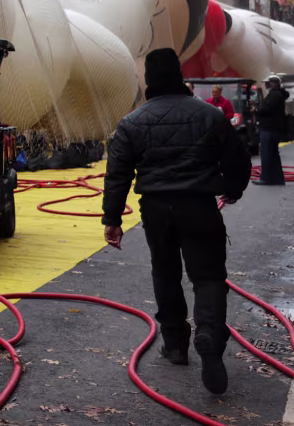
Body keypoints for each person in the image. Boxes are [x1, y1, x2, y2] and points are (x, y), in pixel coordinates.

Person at [102, 48, 250, 395]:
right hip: (200, 205)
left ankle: (175, 344)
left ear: (148, 82)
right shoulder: (210, 116)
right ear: (179, 75)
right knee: (209, 276)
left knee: (165, 272)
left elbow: (117, 174)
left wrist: (112, 218)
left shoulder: (132, 122)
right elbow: (238, 160)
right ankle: (210, 333)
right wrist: (232, 190)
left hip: (156, 209)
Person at [254, 74, 288, 186]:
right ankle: (278, 178)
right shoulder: (279, 95)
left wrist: (256, 109)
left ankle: (266, 178)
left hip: (268, 129)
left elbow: (266, 109)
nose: (266, 85)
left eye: (268, 83)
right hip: (275, 129)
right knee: (273, 154)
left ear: (274, 83)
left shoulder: (273, 95)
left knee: (267, 154)